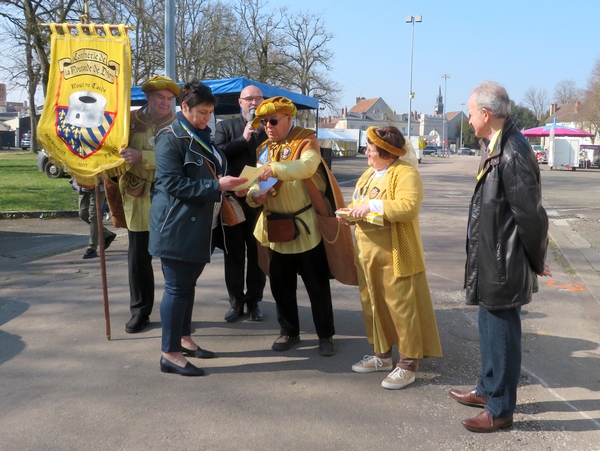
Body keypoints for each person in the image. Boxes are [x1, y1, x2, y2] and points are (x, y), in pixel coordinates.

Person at [449, 81, 551, 432]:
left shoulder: (512, 151)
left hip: (504, 262)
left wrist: (537, 260)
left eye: (472, 112)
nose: (469, 118)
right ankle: (487, 389)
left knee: (503, 336)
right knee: (489, 328)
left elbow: (531, 215)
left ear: (487, 114)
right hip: (492, 258)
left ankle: (500, 410)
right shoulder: (496, 143)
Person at [149, 80, 247, 376]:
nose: (207, 118)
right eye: (202, 112)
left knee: (187, 287)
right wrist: (217, 185)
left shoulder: (200, 133)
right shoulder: (170, 137)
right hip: (177, 225)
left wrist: (229, 188)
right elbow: (173, 184)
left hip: (200, 222)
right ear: (185, 108)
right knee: (177, 288)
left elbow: (211, 171)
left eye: (210, 113)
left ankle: (184, 338)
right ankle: (170, 352)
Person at [336, 126, 442, 389]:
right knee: (373, 304)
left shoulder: (406, 173)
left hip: (395, 253)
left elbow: (408, 207)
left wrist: (371, 206)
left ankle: (407, 365)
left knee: (402, 308)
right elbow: (359, 204)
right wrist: (349, 213)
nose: (366, 152)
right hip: (367, 253)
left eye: (370, 149)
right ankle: (381, 356)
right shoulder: (369, 173)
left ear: (384, 152)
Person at [245, 96, 336, 357]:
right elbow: (254, 181)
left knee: (316, 285)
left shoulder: (306, 139)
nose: (268, 126)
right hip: (275, 226)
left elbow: (307, 167)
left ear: (289, 118)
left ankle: (325, 335)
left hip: (305, 225)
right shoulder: (262, 148)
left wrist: (273, 169)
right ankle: (288, 332)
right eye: (263, 122)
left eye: (273, 121)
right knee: (281, 286)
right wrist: (254, 196)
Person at [118, 76, 180, 334]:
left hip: (168, 196)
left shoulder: (177, 124)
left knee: (172, 258)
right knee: (138, 256)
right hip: (138, 195)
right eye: (160, 98)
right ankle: (140, 311)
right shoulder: (127, 121)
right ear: (148, 98)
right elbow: (114, 151)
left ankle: (176, 310)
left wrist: (143, 156)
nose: (166, 103)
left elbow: (177, 157)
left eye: (169, 99)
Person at [214, 85, 267, 322]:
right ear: (240, 102)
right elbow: (217, 156)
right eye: (249, 99)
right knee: (233, 254)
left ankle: (255, 301)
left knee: (258, 255)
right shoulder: (225, 126)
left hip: (259, 201)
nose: (253, 103)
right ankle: (236, 302)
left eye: (258, 99)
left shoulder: (270, 128)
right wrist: (242, 138)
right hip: (233, 201)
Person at [71, 176, 116, 259]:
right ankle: (107, 234)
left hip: (98, 186)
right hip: (83, 184)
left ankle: (92, 248)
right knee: (83, 214)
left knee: (94, 217)